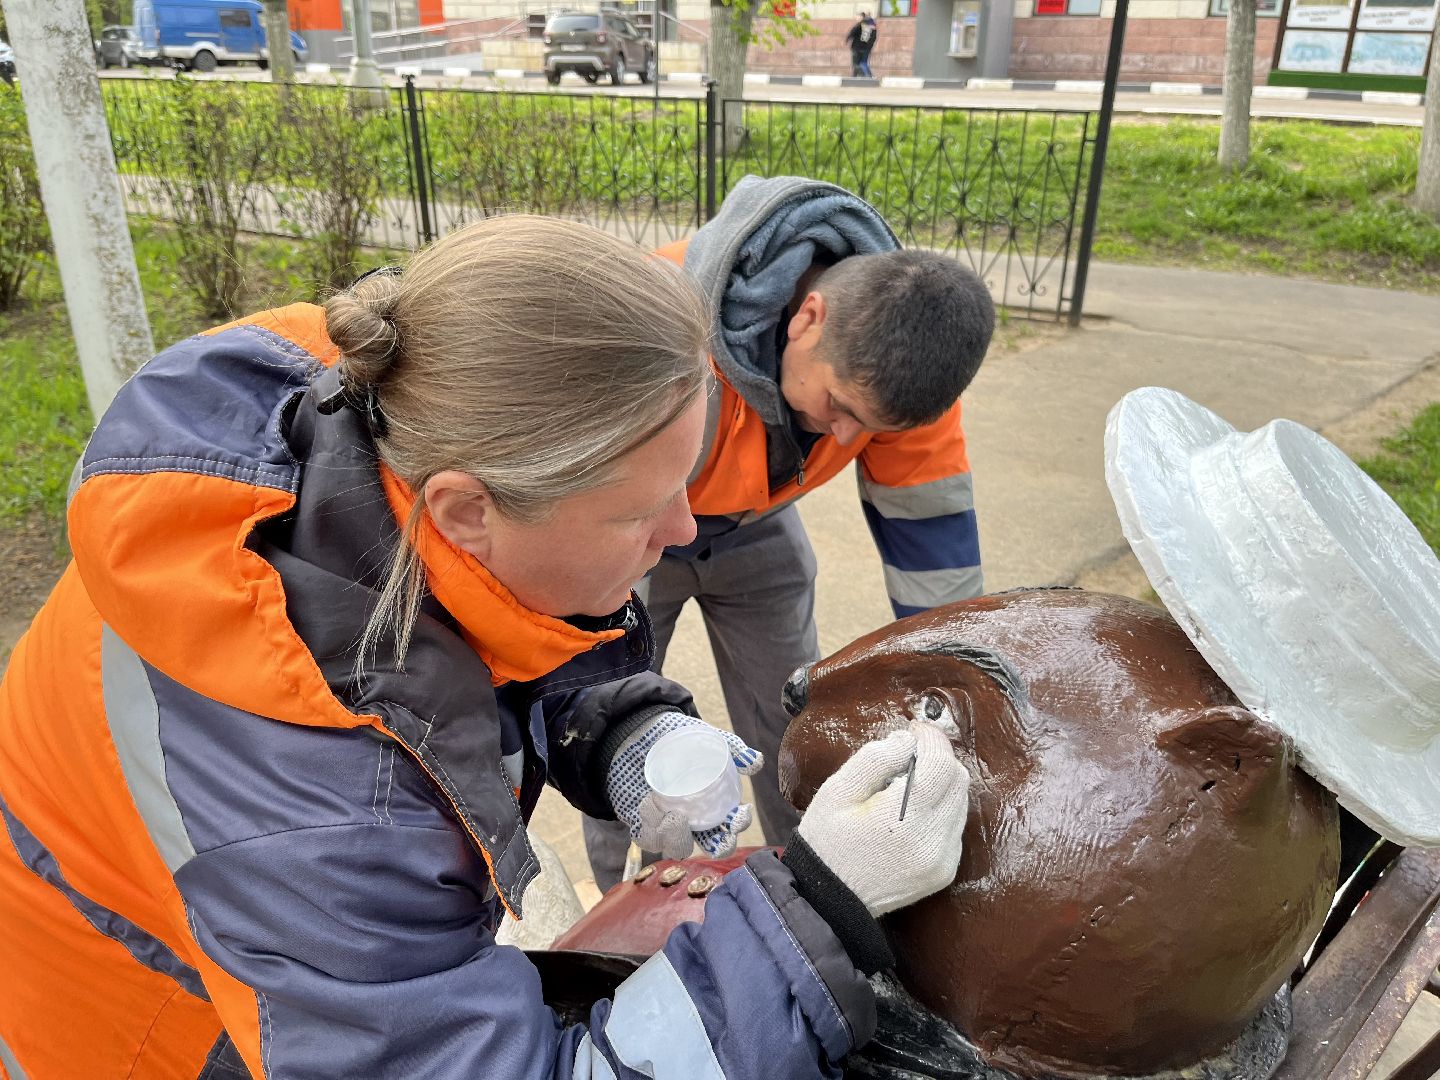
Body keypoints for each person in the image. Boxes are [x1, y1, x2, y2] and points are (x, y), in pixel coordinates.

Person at [0, 214, 971, 1079]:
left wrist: (621, 727)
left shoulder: (388, 408)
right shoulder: (331, 815)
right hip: (149, 1038)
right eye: (638, 513)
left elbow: (476, 628)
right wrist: (818, 917)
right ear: (468, 510)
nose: (686, 532)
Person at [582, 176, 994, 891]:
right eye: (837, 405)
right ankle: (624, 899)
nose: (846, 437)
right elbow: (575, 497)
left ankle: (804, 881)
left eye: (871, 428)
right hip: (621, 519)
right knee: (615, 712)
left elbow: (935, 561)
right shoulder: (653, 318)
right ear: (808, 317)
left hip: (753, 528)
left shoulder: (898, 372)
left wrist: (961, 686)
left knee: (793, 717)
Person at [845, 12, 877, 77]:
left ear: (862, 17)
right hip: (867, 48)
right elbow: (873, 37)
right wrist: (870, 46)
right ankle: (856, 76)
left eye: (858, 16)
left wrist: (847, 39)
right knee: (863, 63)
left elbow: (852, 33)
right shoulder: (872, 26)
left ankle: (866, 75)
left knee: (856, 64)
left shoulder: (860, 24)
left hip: (857, 47)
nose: (856, 18)